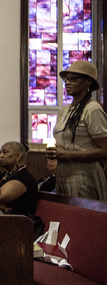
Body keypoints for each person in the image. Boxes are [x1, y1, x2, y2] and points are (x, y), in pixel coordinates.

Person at [46, 60, 107, 201]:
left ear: (87, 82)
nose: (67, 83)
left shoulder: (92, 110)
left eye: (72, 79)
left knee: (82, 220)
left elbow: (105, 150)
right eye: (66, 79)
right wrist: (54, 151)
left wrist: (67, 154)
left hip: (84, 176)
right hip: (63, 174)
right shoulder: (64, 111)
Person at [0, 141, 38, 216]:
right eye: (0, 153)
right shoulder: (5, 175)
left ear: (18, 156)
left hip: (19, 222)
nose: (0, 156)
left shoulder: (23, 177)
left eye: (5, 152)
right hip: (2, 218)